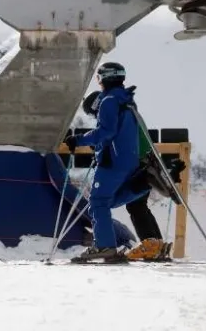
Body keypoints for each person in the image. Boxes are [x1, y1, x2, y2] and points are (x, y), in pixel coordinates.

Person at [64, 62, 147, 263]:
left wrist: (79, 140)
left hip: (112, 161)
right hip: (129, 159)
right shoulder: (126, 101)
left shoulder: (109, 100)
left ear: (104, 78)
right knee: (106, 201)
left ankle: (104, 247)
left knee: (98, 202)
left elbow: (106, 132)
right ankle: (143, 185)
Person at [79, 89, 171, 261]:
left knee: (131, 204)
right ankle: (155, 243)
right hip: (146, 160)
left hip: (135, 163)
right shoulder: (125, 109)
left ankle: (150, 243)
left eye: (93, 113)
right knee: (138, 205)